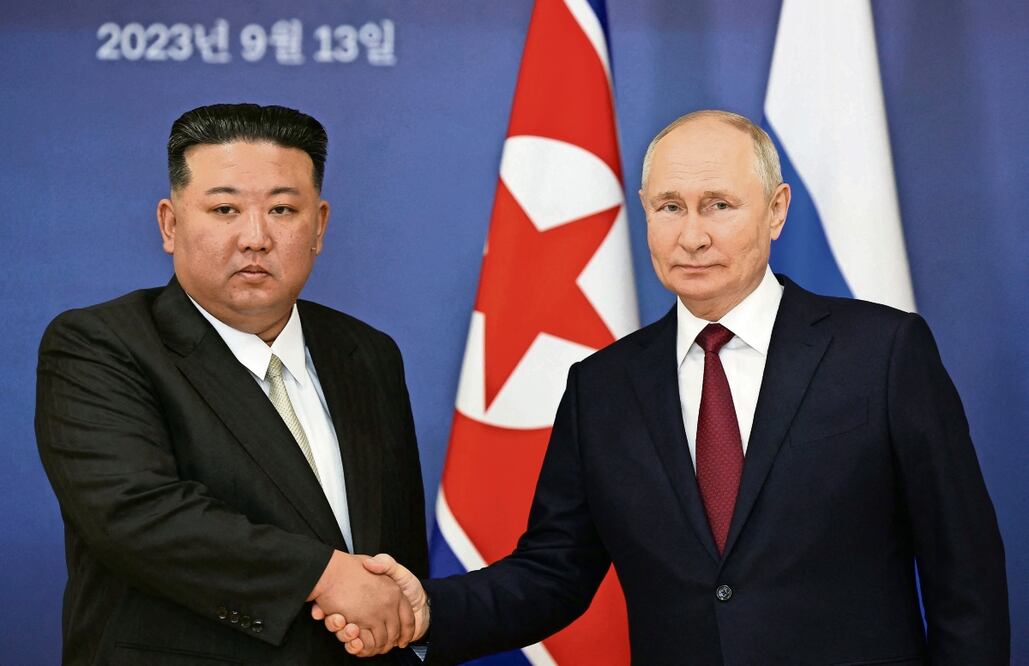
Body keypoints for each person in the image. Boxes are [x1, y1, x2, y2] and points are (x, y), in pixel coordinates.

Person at [320, 110, 1010, 664]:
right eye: (669, 207)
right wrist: (425, 610)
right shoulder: (603, 386)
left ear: (774, 211)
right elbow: (553, 573)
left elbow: (963, 569)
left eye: (718, 205)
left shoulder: (881, 351)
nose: (691, 236)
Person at [35, 103, 428, 665]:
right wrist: (322, 574)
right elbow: (135, 514)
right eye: (224, 208)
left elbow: (391, 551)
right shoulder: (100, 344)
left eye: (282, 210)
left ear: (318, 226)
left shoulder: (367, 353)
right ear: (170, 225)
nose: (255, 237)